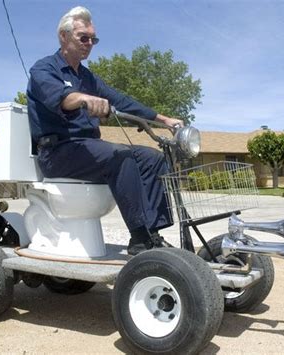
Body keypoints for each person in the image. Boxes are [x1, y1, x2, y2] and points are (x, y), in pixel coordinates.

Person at [27, 6, 183, 256]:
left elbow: (122, 100)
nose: (90, 43)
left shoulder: (89, 77)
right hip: (58, 152)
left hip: (89, 152)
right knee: (119, 156)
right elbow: (62, 98)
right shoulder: (43, 70)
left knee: (152, 158)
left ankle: (153, 233)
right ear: (63, 37)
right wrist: (83, 99)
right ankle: (140, 237)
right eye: (84, 38)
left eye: (93, 39)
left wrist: (164, 120)